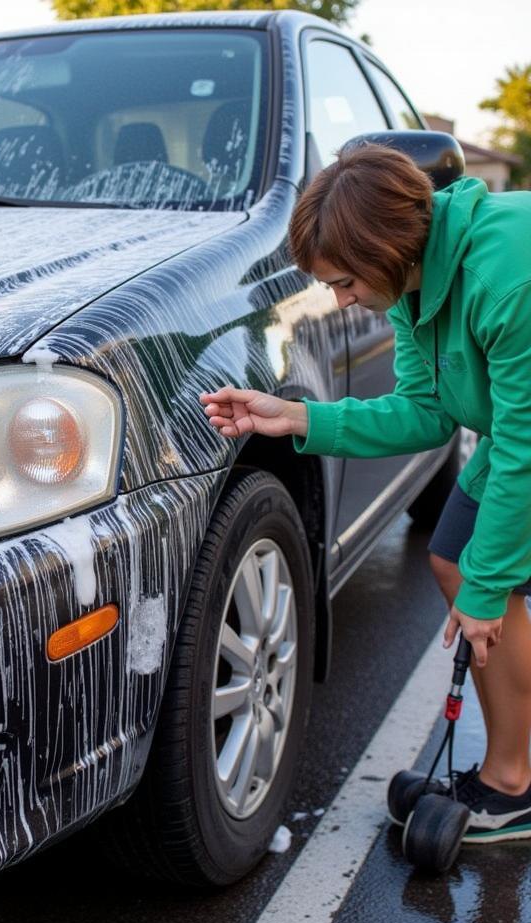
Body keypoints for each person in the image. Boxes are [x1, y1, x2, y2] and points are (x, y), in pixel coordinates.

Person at [198, 141, 531, 843]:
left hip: (524, 441)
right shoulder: (414, 280)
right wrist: (294, 416)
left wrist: (487, 589)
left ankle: (510, 783)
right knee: (456, 560)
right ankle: (515, 774)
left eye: (346, 281)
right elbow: (426, 410)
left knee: (485, 578)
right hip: (514, 431)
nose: (342, 300)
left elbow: (525, 457)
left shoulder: (508, 274)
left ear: (388, 245)